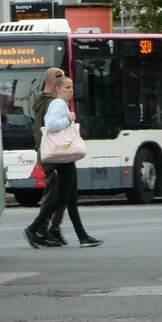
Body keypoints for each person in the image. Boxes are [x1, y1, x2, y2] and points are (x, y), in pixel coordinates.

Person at [24, 73, 102, 249]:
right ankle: (33, 228)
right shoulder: (58, 103)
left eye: (72, 87)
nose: (71, 90)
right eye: (68, 87)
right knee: (62, 197)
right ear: (57, 89)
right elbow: (50, 125)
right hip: (63, 155)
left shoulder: (61, 103)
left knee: (71, 198)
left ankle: (83, 237)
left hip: (65, 154)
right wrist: (69, 118)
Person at [30, 67, 66, 245]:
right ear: (53, 81)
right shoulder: (53, 103)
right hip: (54, 153)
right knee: (54, 193)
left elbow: (38, 131)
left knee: (60, 191)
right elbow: (53, 127)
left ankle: (53, 229)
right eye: (62, 80)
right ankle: (43, 230)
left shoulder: (39, 102)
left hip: (45, 151)